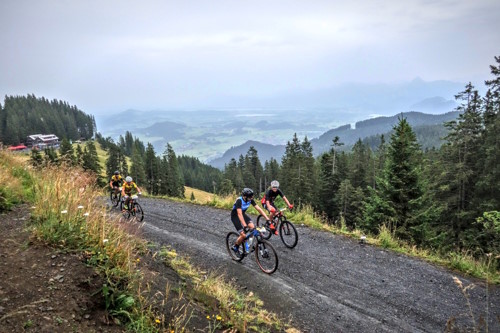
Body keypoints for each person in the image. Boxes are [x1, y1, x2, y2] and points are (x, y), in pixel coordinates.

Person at [231, 188, 270, 256]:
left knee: (253, 228)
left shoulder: (250, 199)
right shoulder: (239, 201)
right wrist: (245, 226)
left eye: (252, 196)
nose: (251, 198)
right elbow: (239, 214)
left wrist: (267, 218)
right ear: (245, 197)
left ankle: (248, 244)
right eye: (250, 197)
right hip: (235, 216)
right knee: (243, 235)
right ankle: (235, 246)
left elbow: (259, 209)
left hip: (242, 214)